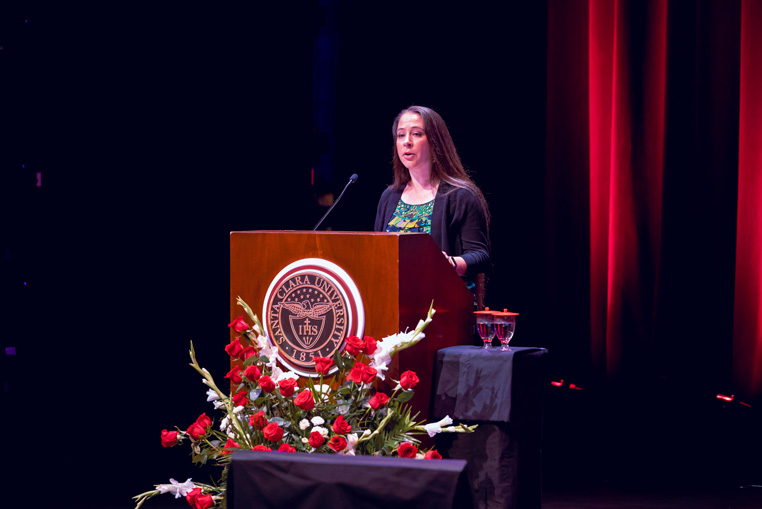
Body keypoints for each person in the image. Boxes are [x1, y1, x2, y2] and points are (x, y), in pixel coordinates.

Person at [374, 105, 491, 297]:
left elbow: (480, 256)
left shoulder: (460, 196)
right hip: (393, 304)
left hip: (444, 306)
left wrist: (451, 263)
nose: (407, 142)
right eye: (401, 135)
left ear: (435, 141)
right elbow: (376, 253)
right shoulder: (390, 196)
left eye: (417, 134)